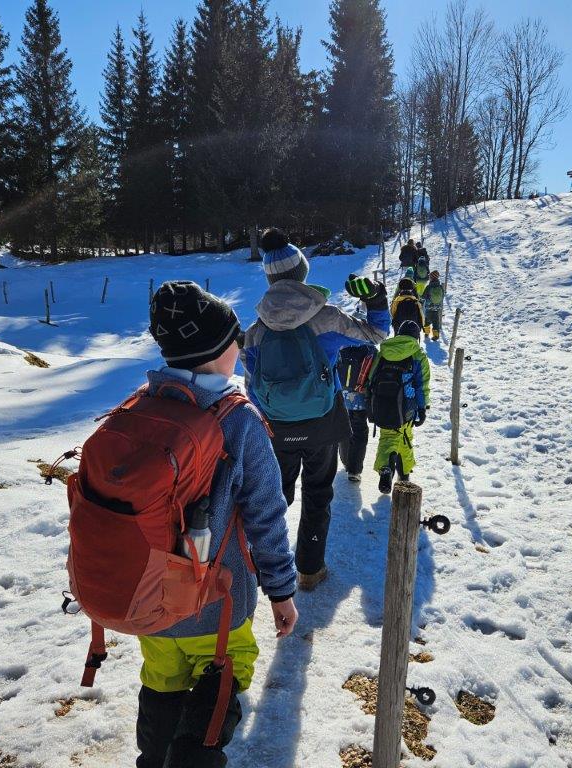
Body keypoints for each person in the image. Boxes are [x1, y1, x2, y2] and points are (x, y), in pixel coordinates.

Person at [138, 281, 298, 768]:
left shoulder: (141, 406)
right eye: (235, 341)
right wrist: (281, 591)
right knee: (224, 678)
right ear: (215, 352)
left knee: (162, 681)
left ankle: (152, 760)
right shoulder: (239, 421)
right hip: (216, 603)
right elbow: (266, 516)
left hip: (149, 602)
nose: (240, 349)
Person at [243, 228, 389, 591]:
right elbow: (377, 334)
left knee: (274, 497)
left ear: (271, 279)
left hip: (277, 427)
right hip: (322, 422)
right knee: (318, 493)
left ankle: (264, 568)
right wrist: (376, 298)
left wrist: (269, 419)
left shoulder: (256, 330)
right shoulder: (327, 317)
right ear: (302, 272)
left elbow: (252, 385)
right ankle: (309, 570)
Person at [366, 320, 431, 494]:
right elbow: (422, 385)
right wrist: (422, 408)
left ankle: (392, 470)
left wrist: (370, 403)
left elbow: (371, 378)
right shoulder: (418, 355)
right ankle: (399, 471)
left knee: (390, 436)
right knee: (405, 436)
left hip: (382, 402)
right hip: (407, 406)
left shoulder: (385, 350)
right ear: (417, 337)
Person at [336, 344, 377, 482]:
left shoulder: (341, 346)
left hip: (341, 397)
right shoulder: (370, 350)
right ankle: (354, 470)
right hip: (360, 399)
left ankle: (345, 460)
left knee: (344, 428)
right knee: (359, 433)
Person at [422, 270, 444, 341]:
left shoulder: (429, 287)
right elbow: (442, 296)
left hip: (429, 308)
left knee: (427, 321)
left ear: (431, 278)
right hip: (437, 308)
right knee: (436, 322)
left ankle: (426, 333)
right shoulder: (440, 287)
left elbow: (423, 296)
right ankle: (436, 336)